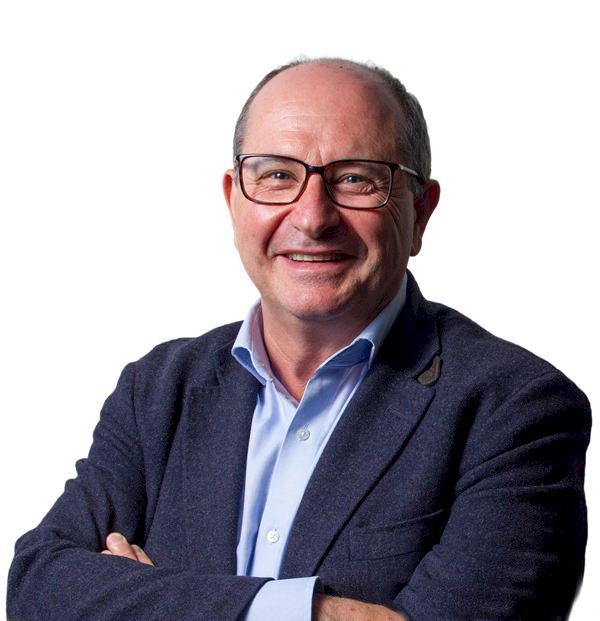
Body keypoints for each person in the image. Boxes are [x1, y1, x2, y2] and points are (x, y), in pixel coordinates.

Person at [7, 57, 591, 621]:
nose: (312, 217)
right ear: (234, 200)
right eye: (277, 175)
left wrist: (144, 600)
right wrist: (313, 612)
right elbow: (36, 586)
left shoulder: (517, 408)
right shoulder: (158, 390)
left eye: (356, 178)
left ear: (421, 211)